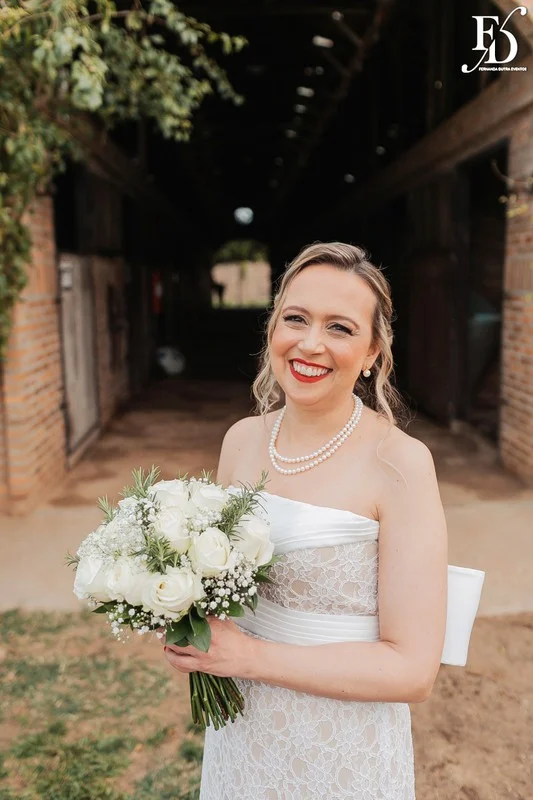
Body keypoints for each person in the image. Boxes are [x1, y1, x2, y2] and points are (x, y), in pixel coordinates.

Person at [163, 242, 448, 799]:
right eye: (295, 318)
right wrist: (174, 603)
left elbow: (413, 671)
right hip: (244, 731)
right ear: (273, 328)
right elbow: (222, 591)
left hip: (343, 744)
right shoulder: (241, 441)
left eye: (340, 328)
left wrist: (248, 656)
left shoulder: (401, 464)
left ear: (372, 353)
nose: (310, 343)